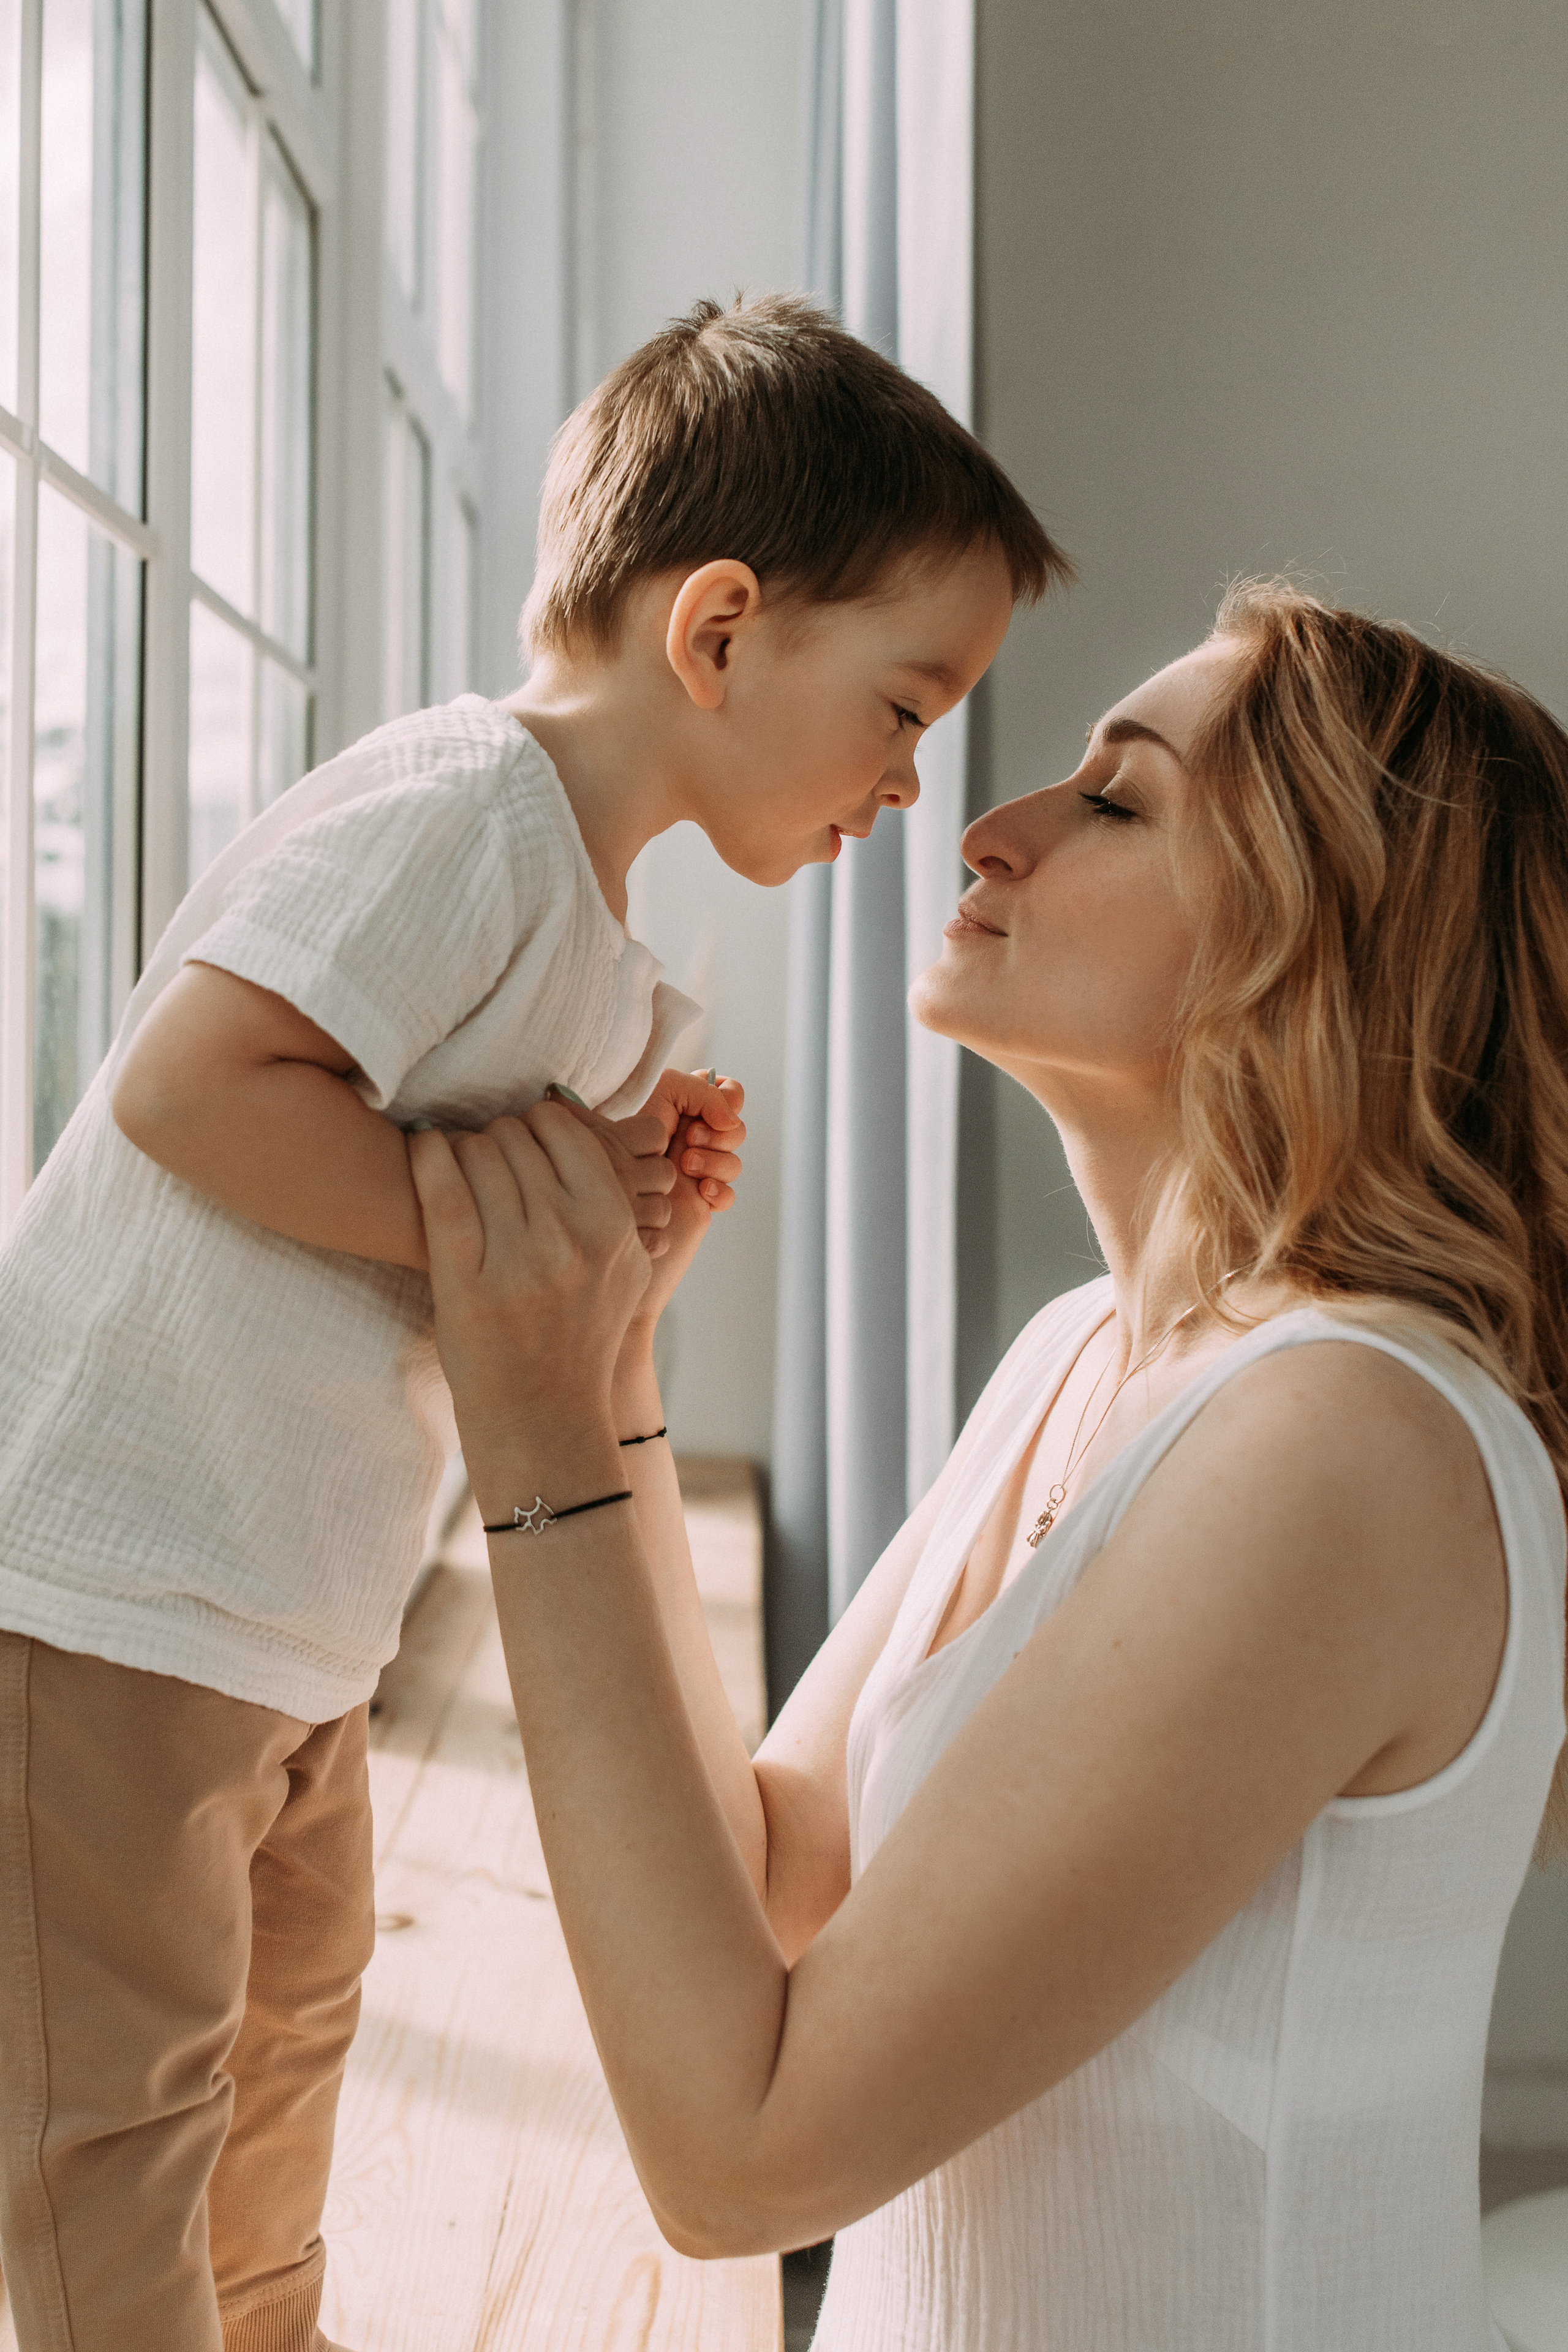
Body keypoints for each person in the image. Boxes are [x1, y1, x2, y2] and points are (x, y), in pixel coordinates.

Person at [0, 294, 1066, 2352]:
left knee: (288, 2039)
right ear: (724, 632)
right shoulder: (468, 812)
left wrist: (616, 1203)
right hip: (111, 1580)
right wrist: (496, 1222)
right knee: (109, 2109)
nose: (912, 789)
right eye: (908, 709)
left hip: (280, 1609)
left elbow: (503, 1250)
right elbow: (186, 1089)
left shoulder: (589, 927)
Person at [409, 581, 1568, 2352]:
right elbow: (778, 1873)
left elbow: (745, 2161)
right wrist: (619, 1371)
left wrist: (540, 1429)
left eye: (1115, 802)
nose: (991, 829)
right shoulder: (1082, 1358)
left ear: (1313, 940)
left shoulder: (1348, 1441)